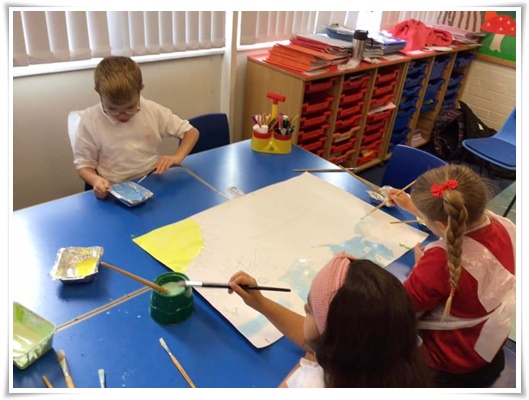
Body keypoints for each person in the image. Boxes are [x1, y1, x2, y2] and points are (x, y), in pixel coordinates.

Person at [388, 164, 516, 388]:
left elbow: (402, 311)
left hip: (449, 362)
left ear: (441, 225)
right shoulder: (504, 224)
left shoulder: (440, 263)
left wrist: (421, 269)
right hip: (489, 345)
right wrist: (413, 207)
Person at [228, 252, 432, 388]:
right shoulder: (392, 357)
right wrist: (261, 303)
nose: (304, 308)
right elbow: (317, 333)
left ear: (334, 345)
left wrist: (306, 364)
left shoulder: (313, 384)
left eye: (310, 310)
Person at [73, 56, 199, 199]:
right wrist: (96, 180)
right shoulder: (89, 121)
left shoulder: (152, 110)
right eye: (112, 109)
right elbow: (83, 166)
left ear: (140, 89)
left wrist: (177, 157)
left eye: (131, 108)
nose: (122, 116)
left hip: (153, 181)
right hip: (115, 189)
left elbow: (191, 132)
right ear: (98, 91)